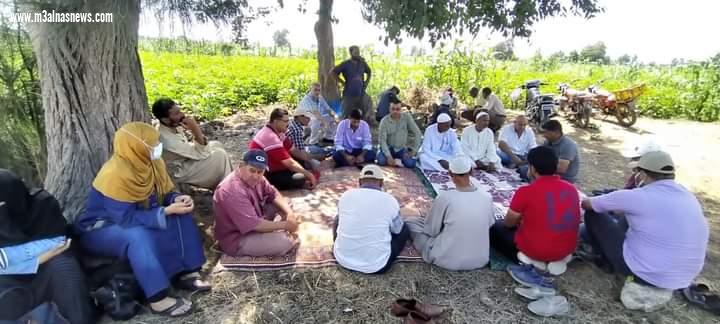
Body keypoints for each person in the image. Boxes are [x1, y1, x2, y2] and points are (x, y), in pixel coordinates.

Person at [74, 122, 209, 318]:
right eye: (152, 144)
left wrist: (175, 199)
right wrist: (164, 212)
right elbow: (125, 219)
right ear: (134, 146)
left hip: (139, 216)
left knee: (181, 214)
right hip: (103, 227)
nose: (157, 147)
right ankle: (158, 299)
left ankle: (186, 272)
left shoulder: (152, 163)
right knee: (137, 236)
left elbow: (165, 193)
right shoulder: (114, 174)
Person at [581, 151, 708, 292]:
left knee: (593, 214)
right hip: (682, 279)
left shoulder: (639, 196)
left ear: (643, 175)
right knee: (629, 218)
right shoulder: (688, 197)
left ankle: (605, 259)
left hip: (644, 275)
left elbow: (587, 204)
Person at [0, 169, 94, 323]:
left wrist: (10, 258)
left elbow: (59, 243)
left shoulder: (42, 204)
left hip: (46, 275)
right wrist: (36, 259)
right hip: (10, 283)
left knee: (63, 266)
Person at [490, 147, 581, 287]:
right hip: (566, 248)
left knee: (495, 226)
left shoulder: (526, 191)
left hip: (538, 250)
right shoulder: (571, 189)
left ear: (532, 169)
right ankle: (552, 261)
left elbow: (509, 223)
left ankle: (531, 263)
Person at [406, 157, 494, 270]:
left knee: (412, 223)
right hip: (481, 259)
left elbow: (431, 230)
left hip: (447, 260)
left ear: (450, 174)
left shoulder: (445, 198)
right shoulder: (487, 197)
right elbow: (490, 223)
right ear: (471, 171)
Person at [213, 150, 300, 257]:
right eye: (252, 171)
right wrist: (286, 225)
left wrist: (290, 213)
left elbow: (273, 193)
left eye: (260, 172)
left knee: (285, 203)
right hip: (237, 238)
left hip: (256, 217)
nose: (256, 176)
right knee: (284, 242)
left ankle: (272, 230)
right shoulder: (231, 190)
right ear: (241, 166)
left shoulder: (259, 178)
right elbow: (256, 225)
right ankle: (272, 233)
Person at [333, 165, 410, 274]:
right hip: (377, 265)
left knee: (338, 218)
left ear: (360, 182)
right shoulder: (390, 200)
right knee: (405, 229)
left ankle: (344, 246)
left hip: (342, 259)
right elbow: (397, 231)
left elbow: (340, 223)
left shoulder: (346, 196)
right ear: (381, 182)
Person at [152, 98, 233, 190]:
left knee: (216, 144)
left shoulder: (170, 125)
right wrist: (195, 128)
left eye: (180, 111)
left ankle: (228, 183)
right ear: (165, 119)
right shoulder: (166, 139)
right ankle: (228, 190)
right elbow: (201, 154)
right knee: (219, 155)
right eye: (177, 114)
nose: (182, 114)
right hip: (177, 171)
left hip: (184, 159)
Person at [249, 108, 318, 190]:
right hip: (264, 174)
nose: (288, 124)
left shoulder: (279, 132)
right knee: (300, 178)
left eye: (288, 121)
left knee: (300, 162)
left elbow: (294, 150)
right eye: (285, 121)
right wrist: (309, 174)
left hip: (274, 166)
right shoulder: (270, 136)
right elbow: (290, 164)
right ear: (275, 121)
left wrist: (311, 159)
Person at [377, 95, 423, 168]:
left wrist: (413, 152)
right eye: (393, 109)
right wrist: (388, 156)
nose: (395, 111)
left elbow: (418, 133)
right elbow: (382, 141)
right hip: (388, 148)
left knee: (410, 164)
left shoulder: (407, 117)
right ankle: (396, 161)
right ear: (389, 109)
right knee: (381, 160)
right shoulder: (384, 121)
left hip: (401, 149)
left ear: (401, 109)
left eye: (397, 109)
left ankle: (397, 160)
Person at [332, 45, 372, 119]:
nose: (358, 54)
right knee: (346, 115)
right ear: (351, 53)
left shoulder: (362, 63)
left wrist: (366, 82)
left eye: (358, 52)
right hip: (349, 93)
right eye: (356, 52)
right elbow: (333, 72)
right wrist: (343, 82)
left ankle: (363, 126)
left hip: (361, 93)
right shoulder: (345, 64)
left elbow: (369, 72)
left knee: (363, 113)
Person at [297, 82, 337, 147]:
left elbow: (328, 109)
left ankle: (328, 138)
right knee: (316, 120)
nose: (317, 92)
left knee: (332, 118)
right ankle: (313, 142)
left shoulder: (320, 97)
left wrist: (336, 116)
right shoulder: (307, 99)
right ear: (310, 89)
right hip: (304, 121)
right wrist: (324, 123)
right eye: (315, 90)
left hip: (314, 118)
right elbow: (316, 113)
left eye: (319, 90)